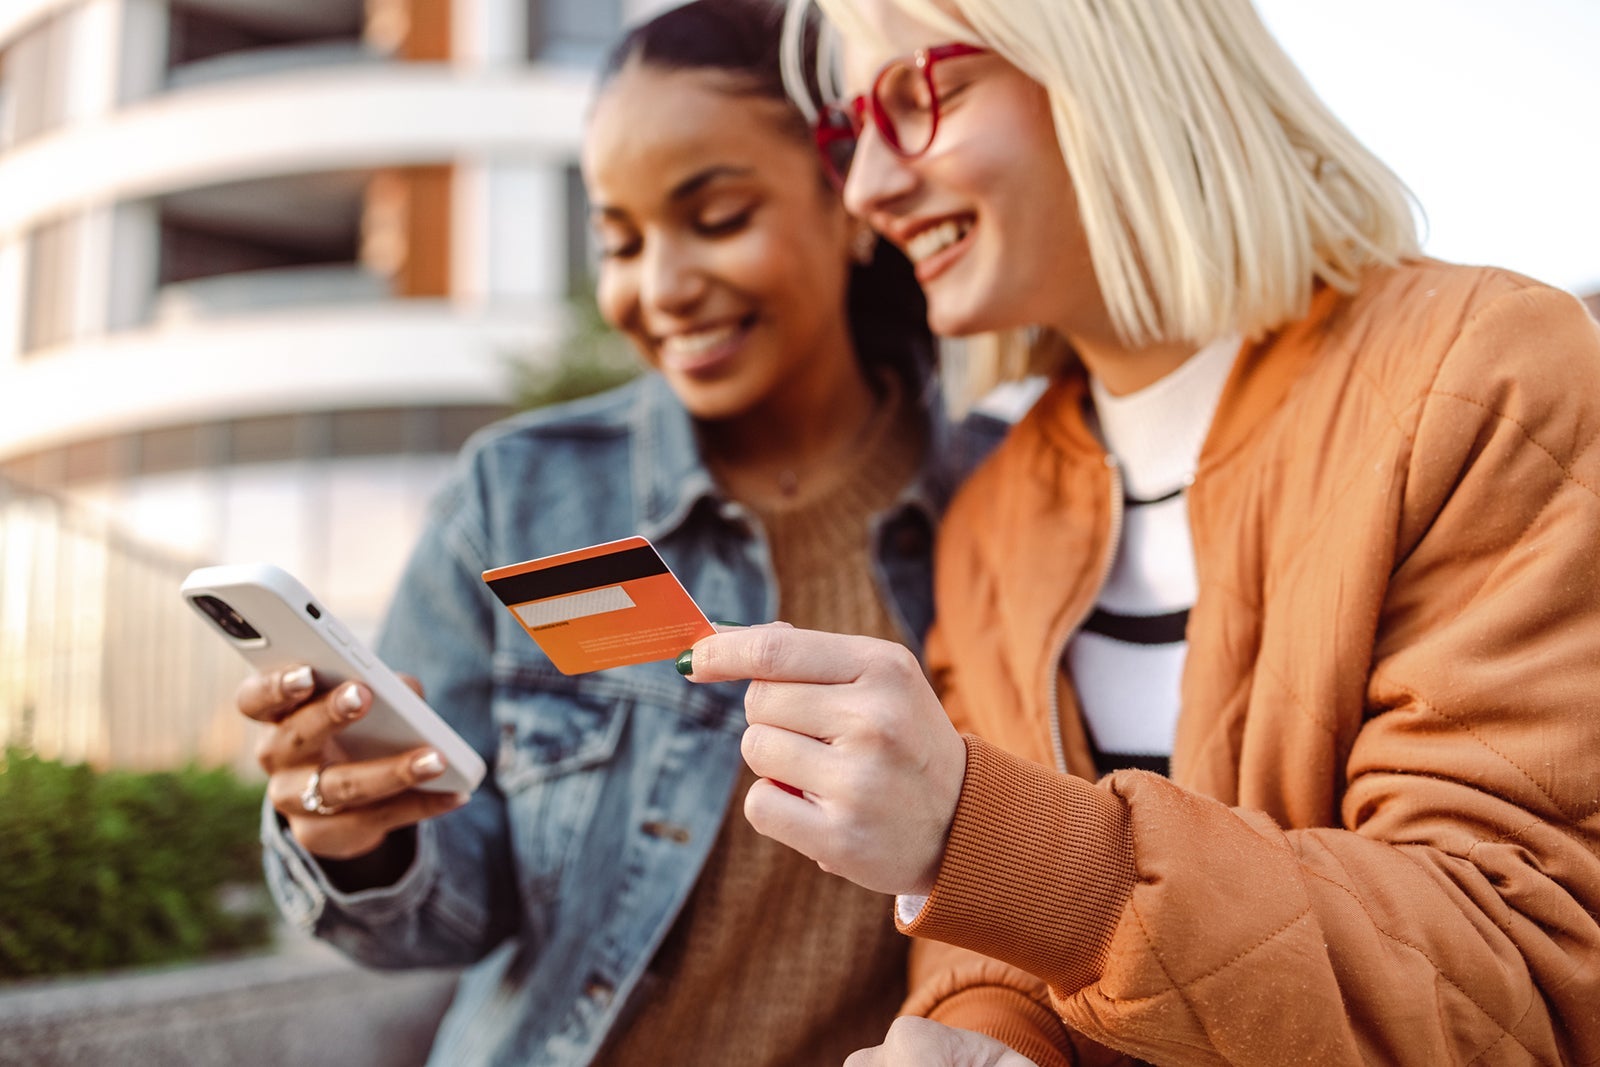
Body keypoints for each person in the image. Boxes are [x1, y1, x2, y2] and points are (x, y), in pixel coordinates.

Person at [678, 0, 1600, 1063]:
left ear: (1111, 61)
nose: (867, 188)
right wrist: (987, 1040)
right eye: (848, 135)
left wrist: (991, 834)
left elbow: (1517, 974)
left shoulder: (1484, 378)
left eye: (916, 96)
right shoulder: (993, 511)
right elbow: (993, 958)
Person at [235, 1, 1006, 1063]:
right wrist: (361, 842)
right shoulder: (528, 499)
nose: (661, 286)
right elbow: (464, 901)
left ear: (852, 198)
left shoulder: (999, 499)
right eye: (619, 239)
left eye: (719, 216)